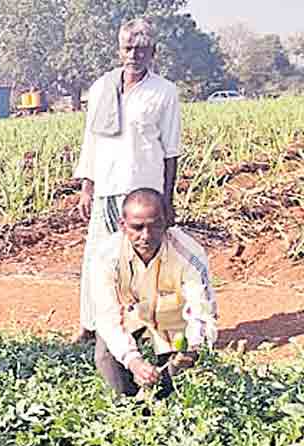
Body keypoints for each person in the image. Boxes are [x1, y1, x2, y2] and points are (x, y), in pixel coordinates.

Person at [73, 17, 182, 344]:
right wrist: (86, 186)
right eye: (128, 48)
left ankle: (145, 327)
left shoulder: (164, 92)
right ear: (120, 50)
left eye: (142, 49)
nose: (134, 54)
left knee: (144, 259)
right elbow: (91, 140)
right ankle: (90, 326)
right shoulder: (102, 87)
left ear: (154, 52)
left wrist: (167, 199)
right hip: (106, 187)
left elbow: (171, 150)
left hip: (143, 190)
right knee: (98, 258)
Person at [90, 188, 216, 398]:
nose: (146, 236)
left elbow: (202, 311)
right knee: (108, 361)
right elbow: (107, 317)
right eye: (137, 227)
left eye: (155, 226)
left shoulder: (189, 254)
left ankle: (164, 410)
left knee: (174, 387)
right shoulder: (106, 257)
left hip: (172, 321)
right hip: (129, 317)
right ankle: (130, 410)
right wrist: (133, 361)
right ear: (123, 225)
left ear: (166, 222)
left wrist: (193, 349)